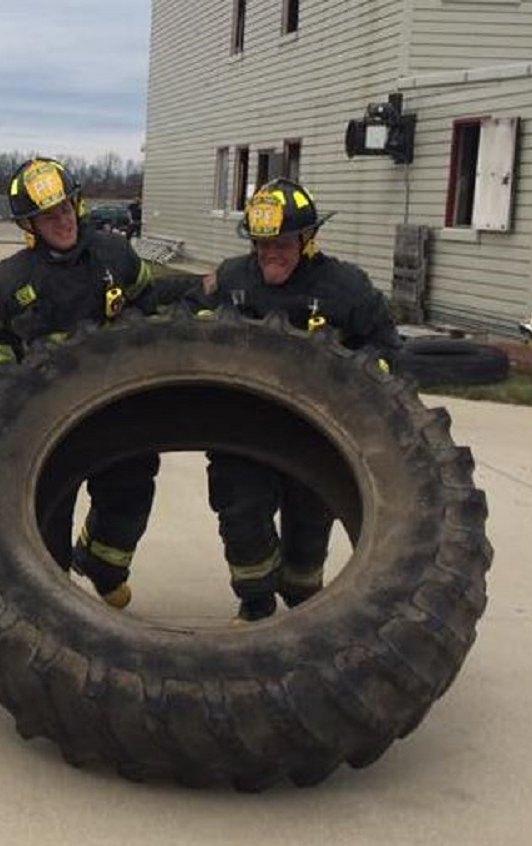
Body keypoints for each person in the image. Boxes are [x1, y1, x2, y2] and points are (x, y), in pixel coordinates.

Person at [0, 158, 191, 608]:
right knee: (47, 517)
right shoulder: (11, 278)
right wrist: (5, 377)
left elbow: (147, 301)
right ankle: (55, 598)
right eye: (50, 215)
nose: (63, 220)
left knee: (129, 495)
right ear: (30, 223)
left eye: (66, 208)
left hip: (118, 409)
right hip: (49, 422)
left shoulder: (114, 255)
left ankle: (104, 567)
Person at [204, 177, 402, 622]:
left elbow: (387, 348)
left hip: (317, 433)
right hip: (243, 429)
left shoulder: (346, 288)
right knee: (241, 516)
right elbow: (196, 326)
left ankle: (302, 602)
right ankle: (254, 602)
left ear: (307, 238)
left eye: (284, 243)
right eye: (263, 242)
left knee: (310, 526)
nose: (272, 252)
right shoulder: (233, 276)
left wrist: (358, 381)